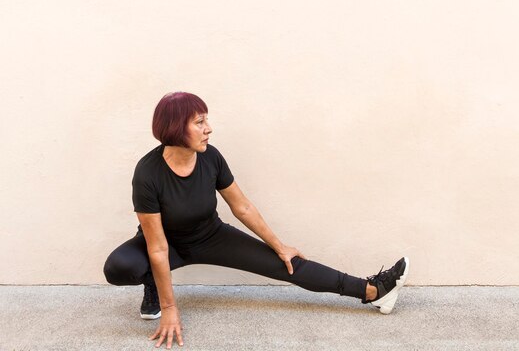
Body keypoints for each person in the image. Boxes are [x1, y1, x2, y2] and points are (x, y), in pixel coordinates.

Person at [103, 92, 410, 349]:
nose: (208, 128)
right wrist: (170, 308)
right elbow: (156, 248)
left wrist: (279, 245)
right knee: (120, 266)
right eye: (199, 122)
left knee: (288, 264)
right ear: (174, 128)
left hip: (211, 237)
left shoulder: (211, 157)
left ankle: (371, 291)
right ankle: (154, 289)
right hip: (165, 245)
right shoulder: (148, 173)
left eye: (206, 120)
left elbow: (243, 207)